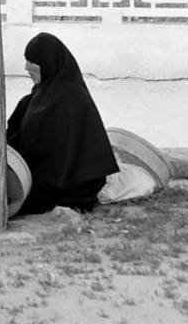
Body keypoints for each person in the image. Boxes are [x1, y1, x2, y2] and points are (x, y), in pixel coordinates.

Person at [7, 32, 119, 216]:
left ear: (48, 64)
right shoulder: (43, 94)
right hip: (48, 175)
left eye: (32, 62)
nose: (26, 68)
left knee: (14, 199)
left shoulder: (68, 101)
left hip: (71, 185)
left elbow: (50, 158)